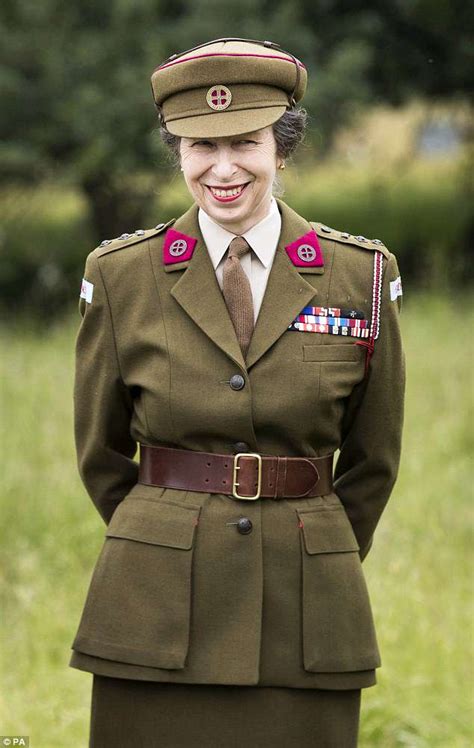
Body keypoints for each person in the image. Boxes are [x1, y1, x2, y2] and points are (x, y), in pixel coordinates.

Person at [70, 37, 405, 748]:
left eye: (244, 142)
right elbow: (100, 455)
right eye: (199, 146)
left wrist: (315, 552)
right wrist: (167, 540)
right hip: (151, 615)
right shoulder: (122, 275)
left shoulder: (361, 276)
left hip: (306, 613)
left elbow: (374, 460)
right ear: (178, 154)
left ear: (282, 149)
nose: (222, 169)